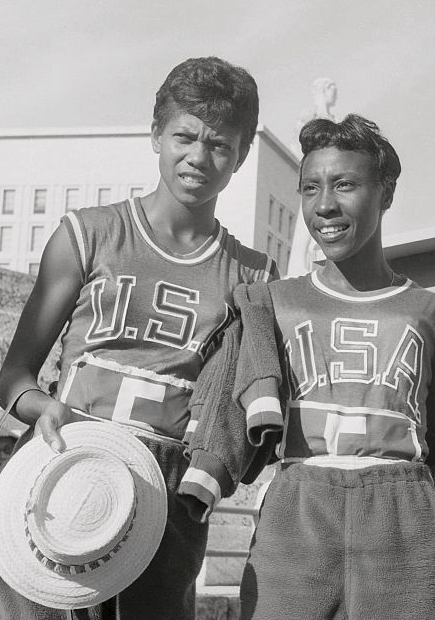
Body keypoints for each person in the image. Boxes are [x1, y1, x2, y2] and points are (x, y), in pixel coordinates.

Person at [0, 56, 276, 620]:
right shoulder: (89, 233)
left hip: (170, 491)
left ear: (242, 155)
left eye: (220, 144)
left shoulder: (252, 275)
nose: (199, 157)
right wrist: (40, 408)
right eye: (184, 136)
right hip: (66, 467)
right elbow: (14, 375)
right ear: (156, 135)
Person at [213, 113, 435, 620]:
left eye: (345, 184)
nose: (325, 205)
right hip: (298, 510)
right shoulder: (272, 303)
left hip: (405, 518)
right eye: (310, 188)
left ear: (386, 193)